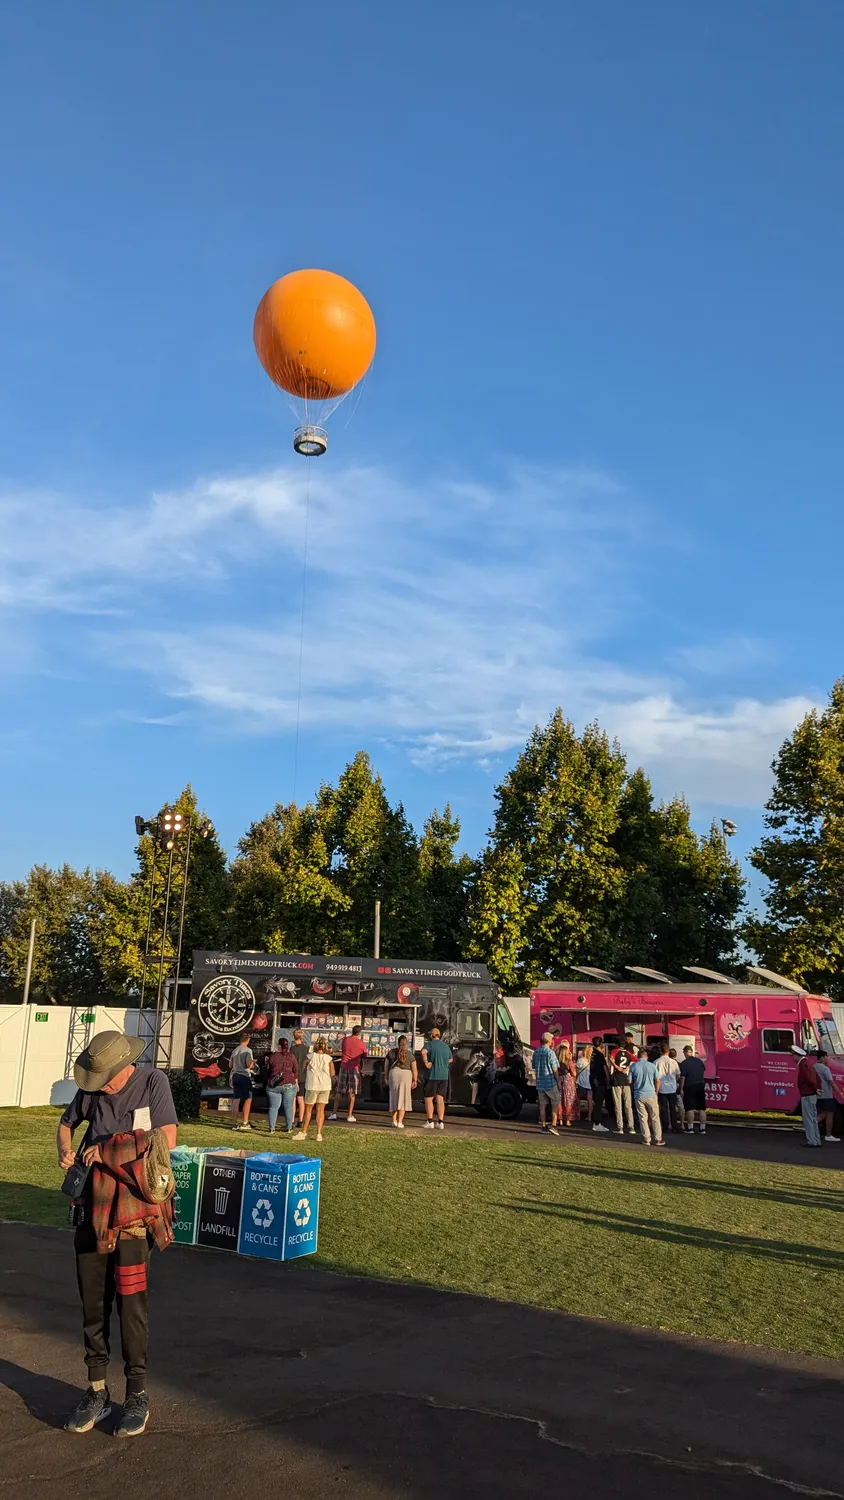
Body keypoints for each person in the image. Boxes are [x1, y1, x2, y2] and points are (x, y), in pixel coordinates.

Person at [56, 1030, 178, 1438]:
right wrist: (64, 1150)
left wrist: (108, 1149)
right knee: (93, 1304)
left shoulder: (152, 1082)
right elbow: (65, 1123)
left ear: (126, 1064)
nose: (101, 1085)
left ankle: (137, 1393)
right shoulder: (91, 1092)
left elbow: (167, 1140)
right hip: (92, 1210)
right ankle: (96, 1391)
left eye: (105, 1076)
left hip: (134, 1216)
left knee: (132, 1306)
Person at [293, 1036, 334, 1143]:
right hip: (325, 1086)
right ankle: (319, 1134)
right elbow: (332, 1073)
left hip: (312, 1085)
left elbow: (303, 1067)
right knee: (321, 1110)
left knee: (308, 1110)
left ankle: (304, 1132)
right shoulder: (329, 1059)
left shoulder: (309, 1057)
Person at [330, 1024, 367, 1123]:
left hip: (343, 1066)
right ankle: (349, 1115)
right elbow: (365, 1054)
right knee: (351, 1092)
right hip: (354, 1068)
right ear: (359, 1033)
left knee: (339, 1090)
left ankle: (333, 1113)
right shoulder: (361, 1043)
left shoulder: (345, 1040)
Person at [629, 1046, 664, 1146]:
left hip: (639, 1094)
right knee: (655, 1117)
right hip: (651, 1093)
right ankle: (658, 1139)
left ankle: (646, 1139)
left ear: (638, 1056)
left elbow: (630, 1080)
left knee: (643, 1118)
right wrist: (656, 1092)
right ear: (646, 1057)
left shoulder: (633, 1066)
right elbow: (658, 1080)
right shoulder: (652, 1066)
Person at [421, 1027, 452, 1130]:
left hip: (432, 1075)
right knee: (440, 1098)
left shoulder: (429, 1044)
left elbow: (423, 1052)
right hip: (444, 1075)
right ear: (439, 1035)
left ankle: (430, 1121)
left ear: (431, 1035)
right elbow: (451, 1059)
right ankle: (440, 1122)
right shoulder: (446, 1046)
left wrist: (426, 1063)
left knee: (429, 1098)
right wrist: (443, 1063)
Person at [265, 1038, 299, 1133]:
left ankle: (272, 1128)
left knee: (273, 1107)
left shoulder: (272, 1056)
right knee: (288, 1106)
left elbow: (268, 1069)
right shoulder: (292, 1057)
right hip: (288, 1083)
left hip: (274, 1085)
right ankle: (289, 1127)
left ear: (278, 1045)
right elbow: (295, 1070)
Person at [533, 1032, 561, 1135]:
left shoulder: (536, 1052)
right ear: (549, 1041)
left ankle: (543, 1126)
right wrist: (558, 1081)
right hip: (550, 1082)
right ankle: (554, 1125)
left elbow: (534, 1066)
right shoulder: (550, 1053)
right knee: (555, 1104)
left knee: (542, 1105)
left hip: (540, 1082)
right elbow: (555, 1069)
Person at [386, 1033, 417, 1127]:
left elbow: (386, 1066)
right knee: (403, 1098)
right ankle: (400, 1122)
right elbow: (414, 1069)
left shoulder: (391, 1052)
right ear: (406, 1043)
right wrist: (415, 1080)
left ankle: (394, 1121)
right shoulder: (410, 1054)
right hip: (406, 1075)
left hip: (394, 1073)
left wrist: (385, 1077)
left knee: (394, 1097)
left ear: (398, 1042)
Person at [228, 1032, 255, 1132]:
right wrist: (253, 1063)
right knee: (248, 1098)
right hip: (244, 1076)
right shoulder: (248, 1050)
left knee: (236, 1099)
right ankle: (245, 1122)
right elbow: (248, 1065)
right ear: (248, 1040)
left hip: (235, 1076)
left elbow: (230, 1065)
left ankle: (234, 1124)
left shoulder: (235, 1050)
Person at [655, 1041, 682, 1134]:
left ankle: (665, 1126)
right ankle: (674, 1126)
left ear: (661, 1051)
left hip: (661, 1088)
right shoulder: (674, 1062)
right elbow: (678, 1076)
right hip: (672, 1087)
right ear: (668, 1051)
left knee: (663, 1108)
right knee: (672, 1107)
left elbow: (655, 1076)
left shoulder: (656, 1062)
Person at [679, 1045, 707, 1134]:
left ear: (685, 1053)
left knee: (689, 1108)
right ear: (692, 1052)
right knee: (701, 1108)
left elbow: (683, 1077)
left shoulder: (684, 1063)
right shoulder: (699, 1062)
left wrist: (681, 1088)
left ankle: (690, 1128)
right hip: (700, 1085)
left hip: (689, 1086)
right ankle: (702, 1129)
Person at [610, 1038, 635, 1136]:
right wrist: (627, 1068)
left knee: (618, 1104)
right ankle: (631, 1126)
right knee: (628, 1105)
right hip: (626, 1080)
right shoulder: (629, 1053)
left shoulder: (615, 1051)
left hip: (617, 1079)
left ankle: (620, 1126)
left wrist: (617, 1067)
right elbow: (635, 1060)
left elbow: (611, 1059)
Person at [814, 1050, 841, 1142]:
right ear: (822, 1058)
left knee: (822, 1113)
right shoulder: (825, 1069)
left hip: (818, 1094)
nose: (828, 1059)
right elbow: (831, 1082)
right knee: (829, 1114)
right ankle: (828, 1135)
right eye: (826, 1057)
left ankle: (810, 1126)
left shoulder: (814, 1066)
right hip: (827, 1095)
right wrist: (840, 1092)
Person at [555, 1041, 578, 1127]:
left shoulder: (556, 1061)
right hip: (568, 1081)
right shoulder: (569, 1061)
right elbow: (574, 1073)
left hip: (559, 1080)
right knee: (568, 1100)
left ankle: (560, 1119)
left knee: (560, 1101)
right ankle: (567, 1120)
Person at [589, 1038, 610, 1133]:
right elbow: (605, 1068)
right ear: (600, 1044)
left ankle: (596, 1121)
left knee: (596, 1100)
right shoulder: (600, 1055)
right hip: (599, 1080)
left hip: (593, 1079)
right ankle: (597, 1123)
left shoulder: (593, 1054)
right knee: (599, 1102)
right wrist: (608, 1080)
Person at [290, 1028, 309, 1126]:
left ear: (293, 1037)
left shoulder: (292, 1049)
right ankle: (301, 1120)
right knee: (301, 1099)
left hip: (293, 1076)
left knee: (293, 1099)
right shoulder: (306, 1048)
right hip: (303, 1075)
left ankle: (292, 1119)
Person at [575, 1044, 593, 1123]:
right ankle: (589, 1116)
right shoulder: (592, 1061)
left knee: (578, 1099)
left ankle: (577, 1115)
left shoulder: (580, 1060)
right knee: (590, 1100)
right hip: (590, 1083)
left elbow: (577, 1071)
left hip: (581, 1082)